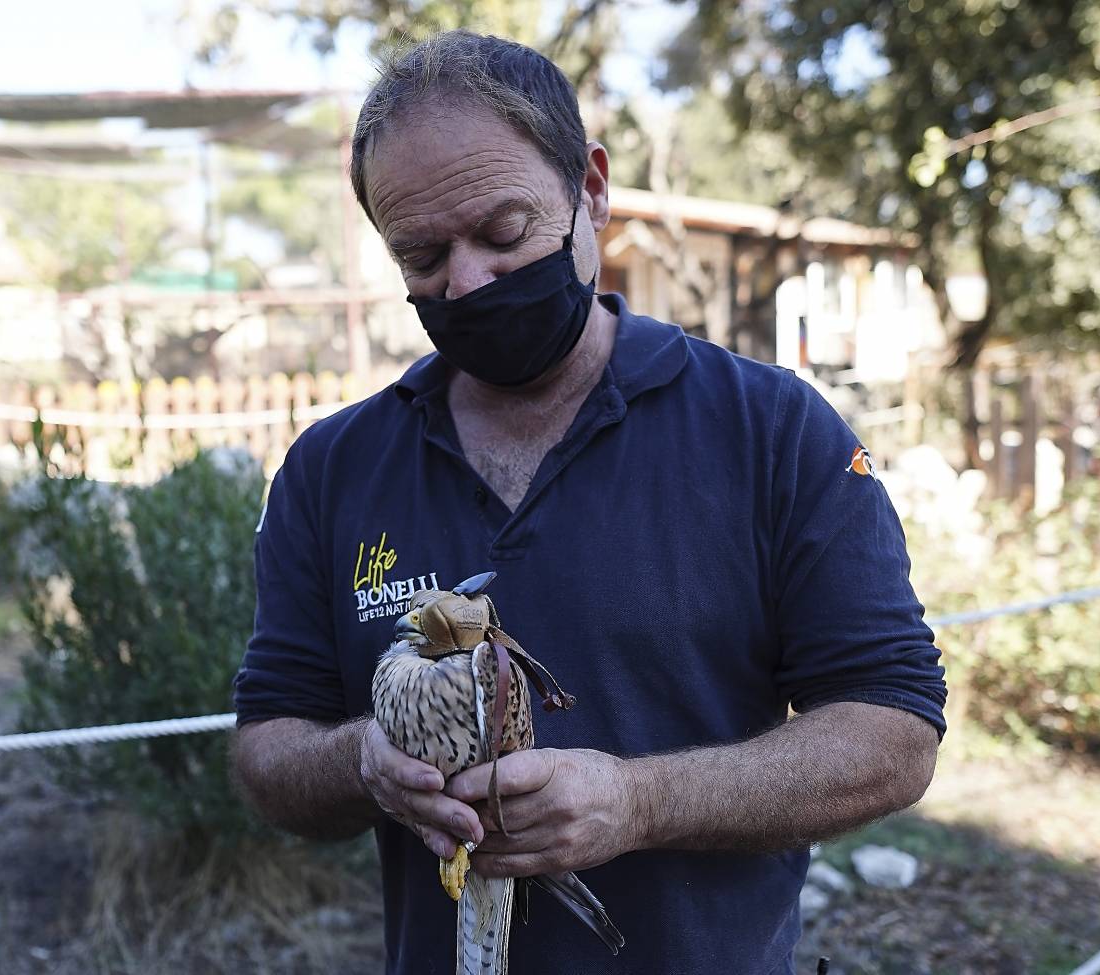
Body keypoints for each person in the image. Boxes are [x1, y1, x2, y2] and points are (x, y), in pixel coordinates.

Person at [233, 29, 946, 975]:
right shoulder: (333, 469)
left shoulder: (771, 431)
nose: (470, 282)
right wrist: (364, 760)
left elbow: (893, 729)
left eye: (503, 232)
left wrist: (640, 801)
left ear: (592, 191)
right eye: (422, 256)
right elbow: (267, 747)